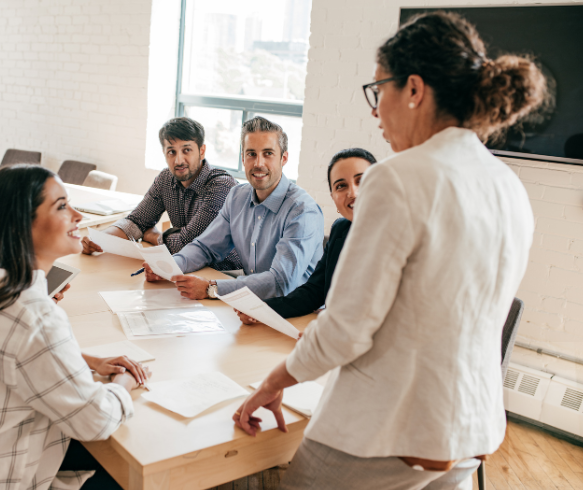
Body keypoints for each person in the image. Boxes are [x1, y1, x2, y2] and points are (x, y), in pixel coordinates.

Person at [234, 11, 548, 490]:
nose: (375, 111)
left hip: (383, 430)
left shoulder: (397, 178)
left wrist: (274, 382)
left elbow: (346, 326)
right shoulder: (507, 185)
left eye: (379, 91)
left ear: (415, 89)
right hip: (467, 431)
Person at [0, 165, 150, 490]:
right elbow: (95, 420)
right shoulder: (32, 314)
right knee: (143, 464)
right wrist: (124, 382)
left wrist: (86, 360)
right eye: (61, 206)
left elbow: (16, 353)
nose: (77, 215)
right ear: (20, 226)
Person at [145, 116, 324, 301]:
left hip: (298, 314)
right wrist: (168, 266)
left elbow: (281, 282)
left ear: (283, 158)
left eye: (268, 153)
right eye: (251, 154)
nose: (258, 163)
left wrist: (211, 288)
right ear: (243, 158)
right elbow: (206, 247)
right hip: (252, 306)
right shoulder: (237, 196)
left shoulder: (302, 211)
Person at [235, 148, 376, 324]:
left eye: (361, 181)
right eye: (341, 186)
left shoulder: (404, 234)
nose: (353, 193)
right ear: (333, 197)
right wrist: (263, 310)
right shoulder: (341, 230)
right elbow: (314, 292)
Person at [82, 117, 241, 271]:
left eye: (187, 150)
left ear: (202, 151)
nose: (179, 160)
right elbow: (136, 221)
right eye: (171, 152)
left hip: (226, 273)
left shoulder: (221, 185)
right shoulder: (166, 179)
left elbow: (190, 244)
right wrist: (99, 239)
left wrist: (155, 236)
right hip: (185, 267)